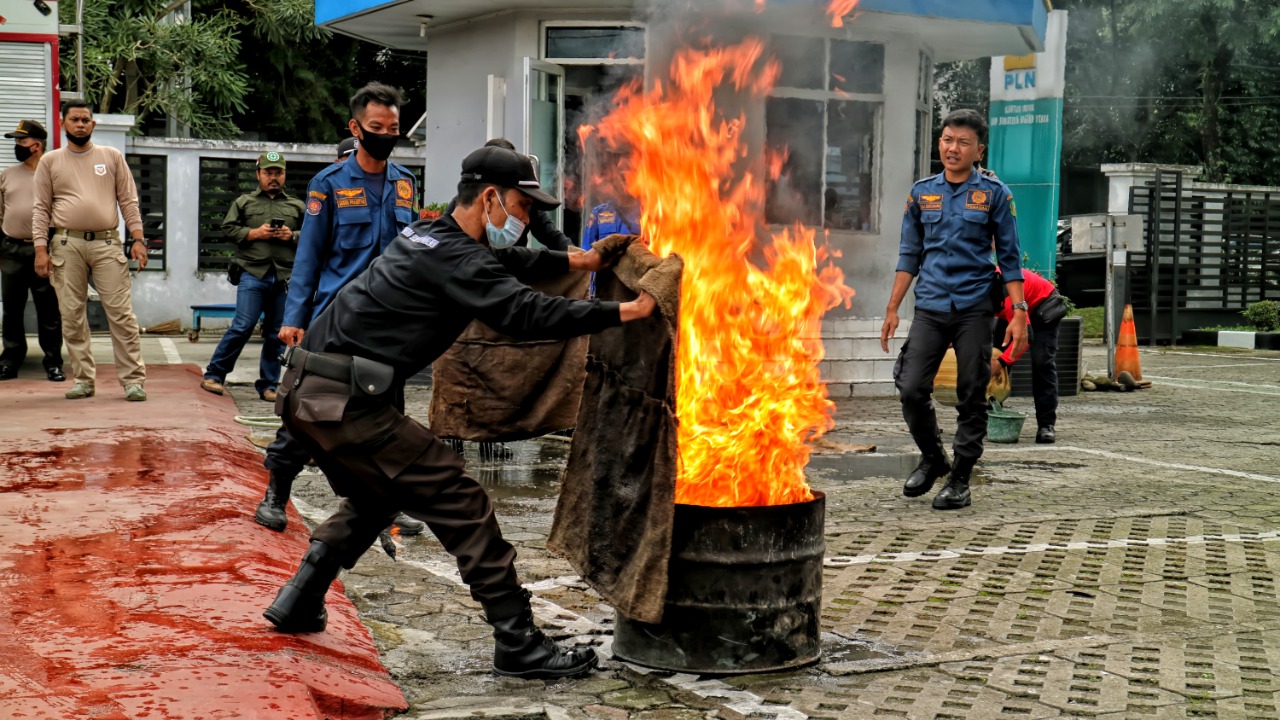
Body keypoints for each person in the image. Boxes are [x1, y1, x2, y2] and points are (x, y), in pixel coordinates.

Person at [262, 144, 656, 681]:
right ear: (491, 197)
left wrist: (580, 260)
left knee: (382, 492)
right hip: (345, 403)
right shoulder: (455, 255)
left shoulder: (430, 234)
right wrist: (627, 310)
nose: (525, 221)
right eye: (522, 208)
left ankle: (300, 598)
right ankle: (518, 641)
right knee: (459, 498)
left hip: (308, 392)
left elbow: (506, 261)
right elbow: (523, 311)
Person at [255, 82, 425, 537]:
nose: (386, 135)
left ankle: (390, 501)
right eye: (376, 128)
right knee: (312, 410)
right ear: (356, 128)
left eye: (393, 128)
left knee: (389, 416)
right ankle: (276, 490)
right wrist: (294, 319)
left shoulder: (406, 184)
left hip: (389, 323)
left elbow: (412, 257)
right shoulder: (327, 185)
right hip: (335, 319)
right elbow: (308, 257)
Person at [880, 108, 1028, 510]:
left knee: (970, 391)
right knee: (911, 387)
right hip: (929, 305)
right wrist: (893, 308)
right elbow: (909, 255)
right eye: (947, 139)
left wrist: (1019, 312)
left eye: (963, 142)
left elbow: (1010, 259)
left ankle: (960, 477)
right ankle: (933, 458)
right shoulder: (921, 192)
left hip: (974, 306)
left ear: (979, 150)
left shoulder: (996, 195)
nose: (953, 148)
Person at [33, 100, 149, 402]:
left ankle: (133, 381)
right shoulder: (50, 161)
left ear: (93, 124)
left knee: (121, 314)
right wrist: (40, 249)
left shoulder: (111, 157)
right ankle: (84, 380)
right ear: (63, 124)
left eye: (86, 119)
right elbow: (41, 209)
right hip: (65, 244)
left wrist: (138, 239)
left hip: (107, 243)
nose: (80, 124)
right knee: (71, 315)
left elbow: (128, 201)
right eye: (75, 119)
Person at [199, 152, 305, 402]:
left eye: (278, 172)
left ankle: (268, 385)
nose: (273, 178)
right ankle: (214, 375)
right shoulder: (244, 202)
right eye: (268, 173)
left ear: (284, 175)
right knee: (242, 326)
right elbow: (228, 229)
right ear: (258, 174)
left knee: (276, 333)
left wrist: (292, 236)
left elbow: (312, 234)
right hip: (252, 274)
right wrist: (254, 233)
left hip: (284, 278)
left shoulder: (297, 206)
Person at [0, 120, 63, 382]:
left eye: (21, 142)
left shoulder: (55, 174)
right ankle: (11, 359)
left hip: (45, 250)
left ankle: (53, 361)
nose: (17, 146)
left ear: (36, 146)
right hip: (12, 249)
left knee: (48, 309)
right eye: (16, 141)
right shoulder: (6, 175)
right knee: (11, 309)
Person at [442, 138, 575, 251]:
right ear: (489, 198)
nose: (525, 219)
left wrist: (577, 256)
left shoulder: (529, 207)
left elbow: (552, 236)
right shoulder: (459, 212)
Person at [991, 267, 1063, 444]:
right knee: (995, 354)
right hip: (1015, 311)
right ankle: (990, 415)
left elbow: (1025, 338)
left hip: (1044, 307)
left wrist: (1000, 362)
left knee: (1042, 363)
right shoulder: (976, 286)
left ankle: (1046, 426)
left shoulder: (1006, 295)